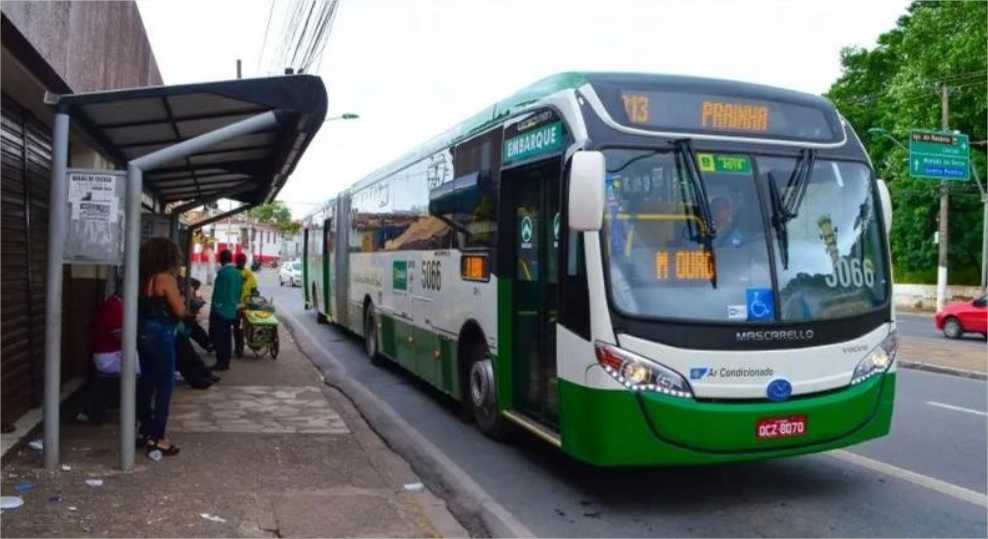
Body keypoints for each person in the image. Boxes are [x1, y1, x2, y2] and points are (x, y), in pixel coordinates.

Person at [137, 237, 186, 457]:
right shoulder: (165, 278)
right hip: (162, 333)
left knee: (146, 383)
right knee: (165, 385)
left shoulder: (142, 279)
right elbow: (179, 310)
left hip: (143, 332)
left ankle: (145, 430)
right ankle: (159, 438)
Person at [210, 250, 242, 371]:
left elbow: (218, 293)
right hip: (232, 309)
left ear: (221, 259)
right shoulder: (237, 273)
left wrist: (216, 307)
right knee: (227, 337)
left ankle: (221, 362)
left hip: (221, 310)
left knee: (220, 338)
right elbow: (239, 292)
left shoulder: (223, 273)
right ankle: (226, 361)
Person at [233, 252, 258, 358]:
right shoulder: (235, 273)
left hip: (245, 305)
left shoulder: (248, 274)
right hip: (236, 305)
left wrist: (254, 294)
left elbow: (254, 289)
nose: (242, 263)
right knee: (238, 327)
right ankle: (239, 348)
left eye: (243, 261)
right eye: (240, 261)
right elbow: (254, 289)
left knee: (240, 327)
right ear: (237, 261)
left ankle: (241, 347)